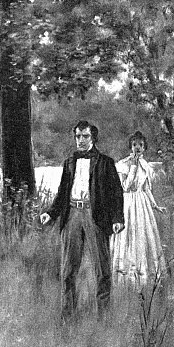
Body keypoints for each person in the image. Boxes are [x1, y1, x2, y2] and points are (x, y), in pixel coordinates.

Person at [40, 120, 124, 319]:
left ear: (93, 138)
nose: (81, 140)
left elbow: (116, 193)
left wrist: (117, 218)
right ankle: (67, 316)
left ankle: (104, 317)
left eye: (85, 136)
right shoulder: (69, 162)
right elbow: (62, 193)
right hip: (72, 214)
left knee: (102, 269)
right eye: (78, 136)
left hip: (96, 216)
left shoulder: (106, 162)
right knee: (68, 269)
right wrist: (51, 213)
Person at [110, 131, 166, 287]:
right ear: (131, 146)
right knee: (128, 236)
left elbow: (146, 189)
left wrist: (155, 205)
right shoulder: (124, 164)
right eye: (134, 144)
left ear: (144, 147)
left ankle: (144, 278)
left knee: (143, 236)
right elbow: (125, 187)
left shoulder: (145, 165)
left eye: (140, 145)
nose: (137, 148)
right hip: (127, 203)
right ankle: (126, 278)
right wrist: (133, 167)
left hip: (142, 205)